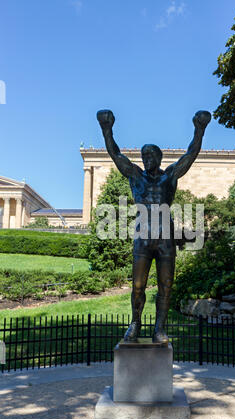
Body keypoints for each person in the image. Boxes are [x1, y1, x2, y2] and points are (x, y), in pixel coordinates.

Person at [97, 109, 211, 343]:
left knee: (166, 287)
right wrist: (106, 129)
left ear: (159, 158)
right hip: (143, 237)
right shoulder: (135, 176)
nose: (147, 159)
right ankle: (135, 324)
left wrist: (199, 129)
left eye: (151, 155)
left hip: (166, 239)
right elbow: (115, 154)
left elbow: (190, 155)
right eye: (144, 155)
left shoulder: (169, 176)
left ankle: (159, 329)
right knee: (138, 285)